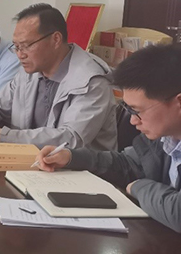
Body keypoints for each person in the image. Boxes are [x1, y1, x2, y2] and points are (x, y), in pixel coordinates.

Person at [38, 44, 181, 233]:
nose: (133, 120)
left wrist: (139, 187)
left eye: (137, 111)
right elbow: (129, 164)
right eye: (129, 110)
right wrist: (72, 158)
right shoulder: (163, 136)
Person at [0, 3, 117, 150]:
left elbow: (71, 138)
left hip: (79, 171)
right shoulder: (30, 72)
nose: (20, 54)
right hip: (31, 162)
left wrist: (3, 136)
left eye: (26, 46)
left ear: (56, 39)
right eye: (16, 47)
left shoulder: (91, 81)